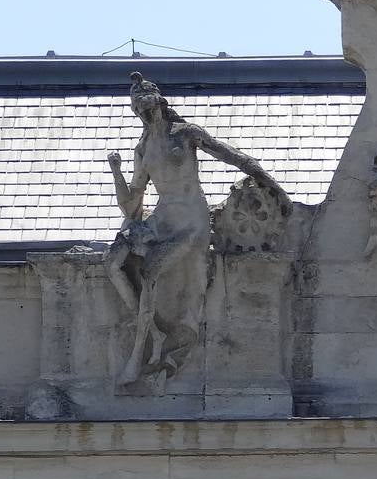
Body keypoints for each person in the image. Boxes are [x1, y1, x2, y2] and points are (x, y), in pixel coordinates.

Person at [105, 71, 278, 386]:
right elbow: (131, 205)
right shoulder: (143, 150)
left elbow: (230, 155)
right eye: (138, 108)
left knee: (150, 271)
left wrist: (267, 181)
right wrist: (115, 171)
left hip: (190, 223)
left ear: (159, 102)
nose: (144, 112)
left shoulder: (184, 135)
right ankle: (155, 334)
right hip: (161, 220)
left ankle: (137, 356)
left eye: (147, 104)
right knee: (113, 260)